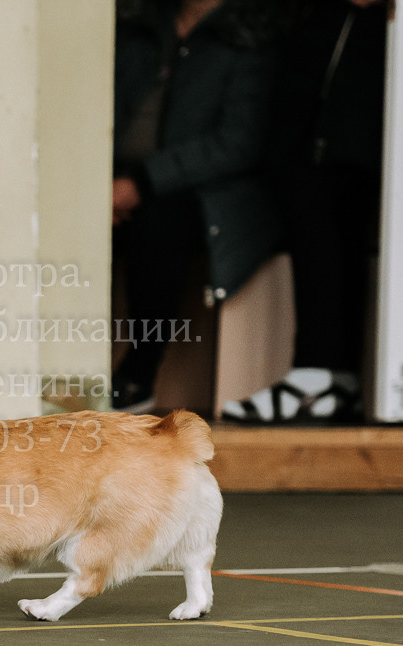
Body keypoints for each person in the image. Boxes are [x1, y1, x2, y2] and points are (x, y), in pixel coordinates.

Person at [110, 0, 283, 413]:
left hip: (206, 194)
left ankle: (137, 378)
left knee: (158, 226)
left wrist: (142, 183)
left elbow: (237, 145)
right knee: (66, 228)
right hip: (112, 180)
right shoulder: (137, 26)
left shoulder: (250, 38)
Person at [224, 0, 388, 424]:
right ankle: (325, 378)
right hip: (300, 147)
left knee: (336, 241)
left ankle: (324, 377)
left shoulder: (386, 22)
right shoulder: (314, 17)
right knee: (322, 236)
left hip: (353, 148)